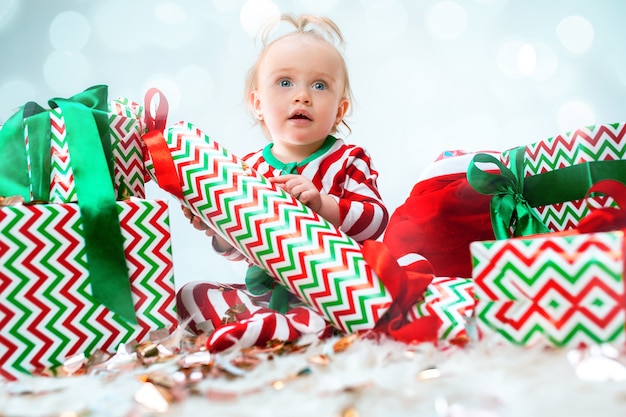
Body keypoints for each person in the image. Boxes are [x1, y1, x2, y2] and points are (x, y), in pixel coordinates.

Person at [177, 13, 389, 350]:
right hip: (264, 290)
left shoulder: (349, 160)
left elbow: (375, 221)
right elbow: (243, 248)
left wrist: (323, 205)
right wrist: (216, 227)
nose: (302, 96)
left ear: (339, 110)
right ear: (257, 103)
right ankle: (265, 325)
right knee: (190, 294)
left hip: (333, 291)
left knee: (328, 313)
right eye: (285, 82)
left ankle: (291, 330)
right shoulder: (246, 170)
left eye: (319, 86)